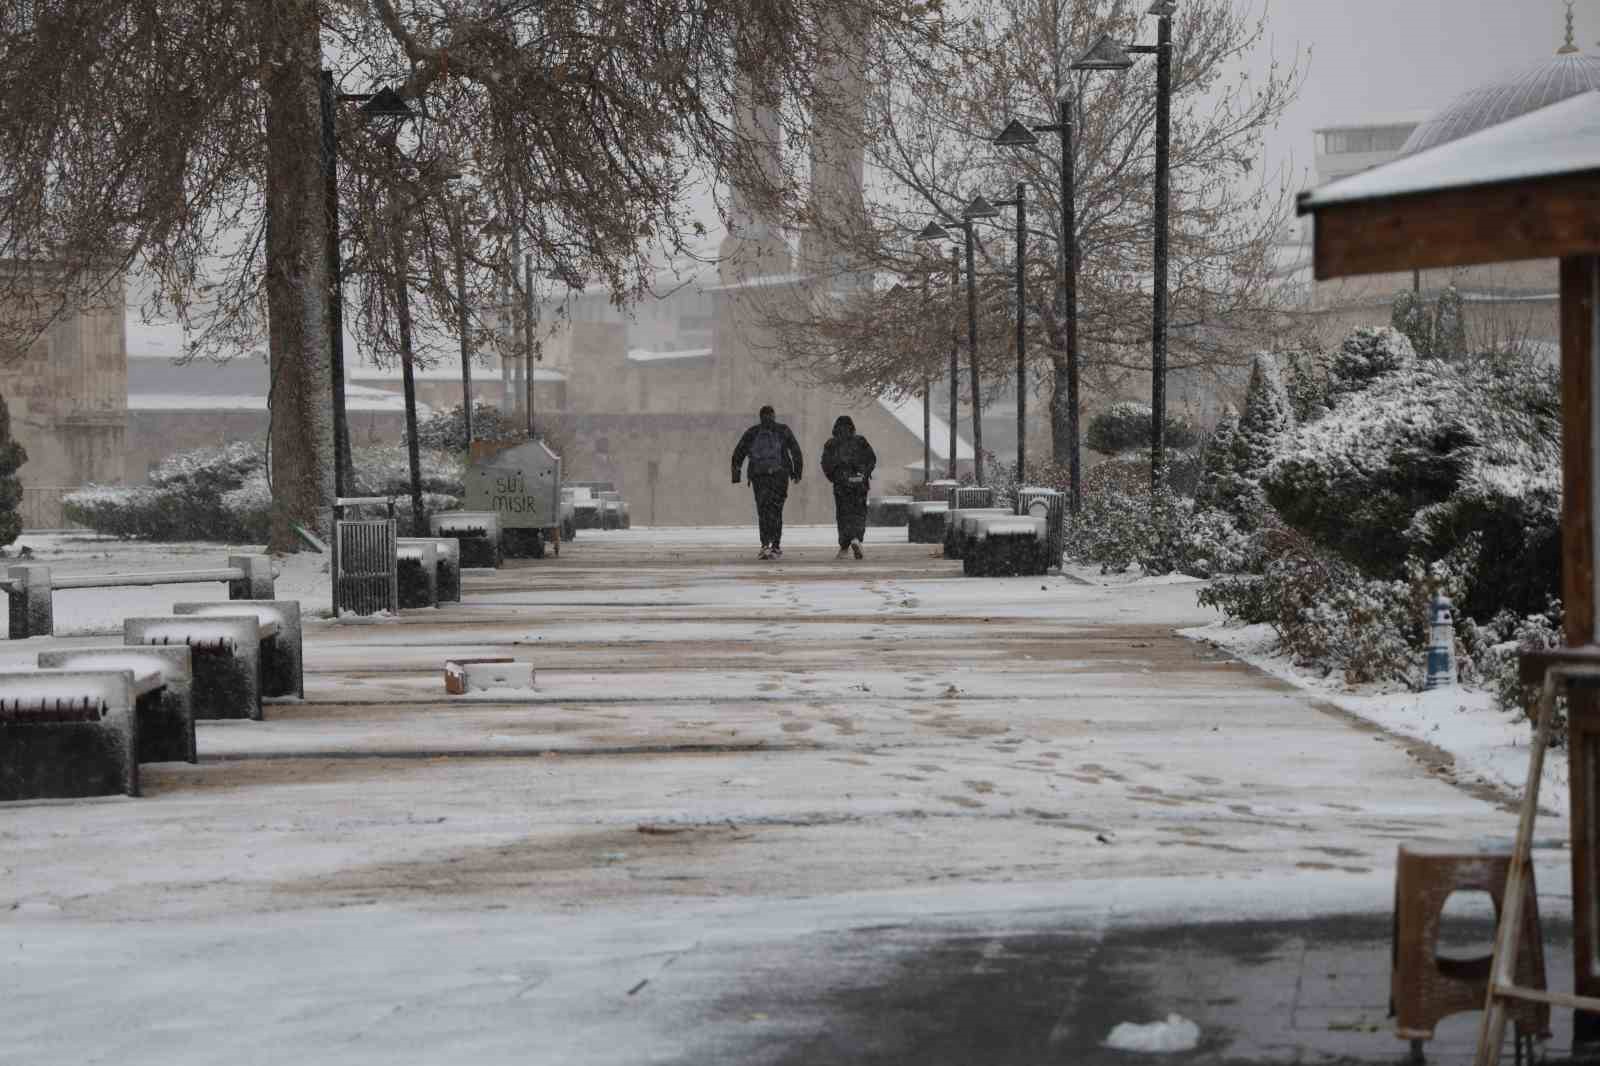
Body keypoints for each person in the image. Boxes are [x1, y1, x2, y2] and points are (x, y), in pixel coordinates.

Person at [731, 405, 803, 559]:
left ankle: (765, 545)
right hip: (780, 475)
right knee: (777, 511)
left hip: (759, 476)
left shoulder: (753, 432)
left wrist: (736, 474)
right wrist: (797, 472)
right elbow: (796, 450)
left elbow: (739, 452)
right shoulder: (783, 430)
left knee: (763, 511)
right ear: (774, 416)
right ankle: (776, 546)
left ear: (760, 416)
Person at [821, 414, 876, 559]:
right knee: (859, 512)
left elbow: (825, 463)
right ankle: (857, 538)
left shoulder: (831, 444)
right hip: (859, 484)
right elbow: (872, 458)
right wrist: (865, 473)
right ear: (852, 427)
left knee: (843, 514)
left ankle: (844, 545)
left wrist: (834, 477)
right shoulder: (860, 441)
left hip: (841, 484)